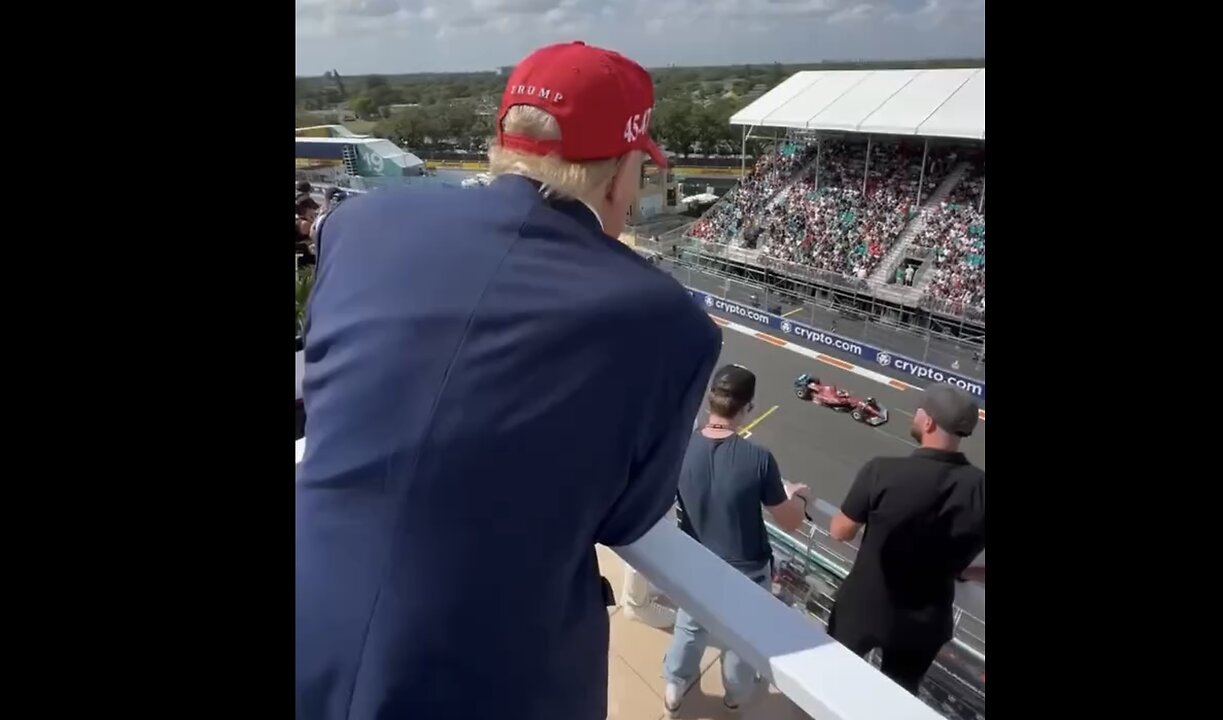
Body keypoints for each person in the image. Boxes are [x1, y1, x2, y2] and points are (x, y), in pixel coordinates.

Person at [296, 41, 721, 720]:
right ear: (618, 175)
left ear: (505, 144)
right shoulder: (668, 321)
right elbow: (627, 516)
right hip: (494, 680)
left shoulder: (356, 224)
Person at [662, 364, 810, 716]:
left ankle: (674, 684)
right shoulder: (757, 459)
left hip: (694, 560)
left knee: (690, 623)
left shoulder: (682, 446)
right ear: (747, 409)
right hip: (746, 570)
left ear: (711, 401)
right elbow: (790, 521)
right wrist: (800, 497)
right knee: (740, 641)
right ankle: (735, 695)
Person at [826, 383, 985, 696]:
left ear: (928, 422)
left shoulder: (882, 471)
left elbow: (839, 532)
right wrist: (963, 570)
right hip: (926, 623)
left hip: (862, 608)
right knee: (897, 698)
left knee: (831, 683)